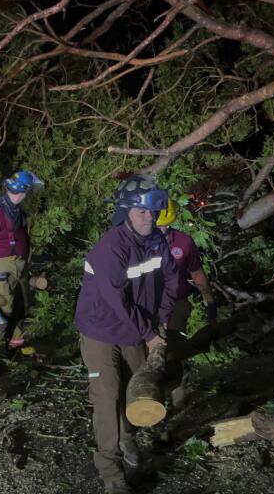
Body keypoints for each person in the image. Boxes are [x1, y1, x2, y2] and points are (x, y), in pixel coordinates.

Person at [74, 174, 179, 494]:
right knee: (107, 398)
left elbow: (170, 280)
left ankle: (127, 438)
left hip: (135, 330)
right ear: (125, 212)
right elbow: (118, 302)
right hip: (101, 331)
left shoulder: (157, 241)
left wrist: (163, 319)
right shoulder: (111, 247)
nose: (149, 217)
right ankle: (111, 472)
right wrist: (150, 334)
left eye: (152, 211)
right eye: (141, 211)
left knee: (136, 392)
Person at [155, 198, 217, 408]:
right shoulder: (137, 243)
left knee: (173, 351)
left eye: (165, 225)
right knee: (148, 355)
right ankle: (150, 401)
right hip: (148, 307)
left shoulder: (183, 242)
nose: (161, 229)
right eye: (157, 225)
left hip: (177, 304)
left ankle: (177, 400)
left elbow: (197, 274)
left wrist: (210, 302)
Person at [0, 170, 43, 351]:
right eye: (28, 191)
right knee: (4, 308)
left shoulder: (17, 210)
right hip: (3, 265)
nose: (28, 195)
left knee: (22, 303)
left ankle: (16, 340)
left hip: (20, 264)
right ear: (23, 190)